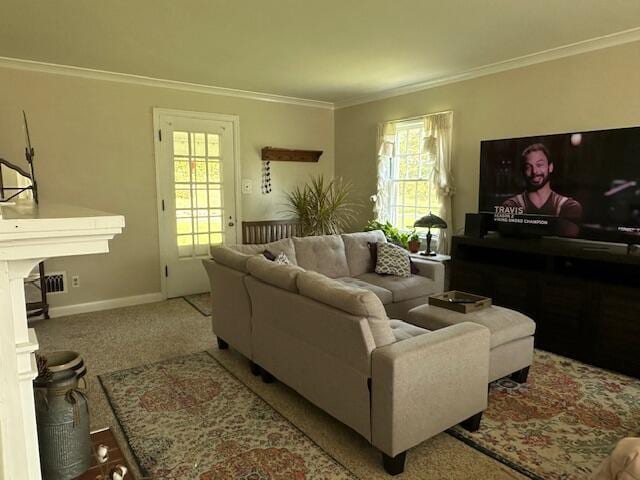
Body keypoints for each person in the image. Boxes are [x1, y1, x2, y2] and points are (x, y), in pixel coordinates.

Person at [503, 143, 582, 236]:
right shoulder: (510, 206)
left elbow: (568, 239)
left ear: (550, 167)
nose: (534, 171)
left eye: (539, 165)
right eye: (528, 167)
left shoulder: (569, 207)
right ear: (523, 171)